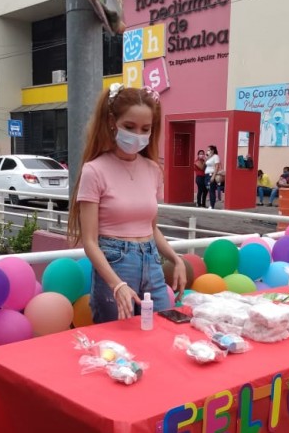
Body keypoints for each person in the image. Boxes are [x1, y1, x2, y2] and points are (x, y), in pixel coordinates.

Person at [68, 83, 187, 323]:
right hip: (115, 264)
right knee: (117, 345)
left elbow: (151, 228)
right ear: (112, 122)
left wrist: (176, 258)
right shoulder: (95, 170)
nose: (138, 135)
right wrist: (116, 284)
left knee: (161, 331)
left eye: (146, 129)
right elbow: (90, 242)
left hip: (152, 262)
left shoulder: (153, 170)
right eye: (130, 127)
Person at [204, 145, 221, 209]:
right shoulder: (209, 157)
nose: (207, 151)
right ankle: (211, 204)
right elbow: (205, 164)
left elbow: (217, 166)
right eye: (207, 150)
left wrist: (213, 176)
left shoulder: (216, 156)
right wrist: (208, 157)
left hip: (211, 174)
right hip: (206, 174)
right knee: (208, 189)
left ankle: (212, 205)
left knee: (211, 190)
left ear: (213, 150)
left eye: (209, 150)